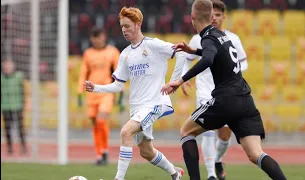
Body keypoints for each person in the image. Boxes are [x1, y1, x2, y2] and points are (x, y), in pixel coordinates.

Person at [161, 0, 287, 180]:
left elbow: (208, 60)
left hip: (226, 100)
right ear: (212, 17)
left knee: (186, 132)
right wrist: (195, 50)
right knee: (255, 153)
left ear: (192, 18)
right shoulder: (222, 35)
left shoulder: (208, 37)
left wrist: (180, 80)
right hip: (244, 100)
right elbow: (214, 53)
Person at [84, 7, 186, 180]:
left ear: (138, 25)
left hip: (154, 103)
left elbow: (181, 52)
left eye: (128, 26)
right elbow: (117, 86)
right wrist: (96, 87)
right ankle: (175, 174)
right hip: (137, 108)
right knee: (146, 152)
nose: (124, 30)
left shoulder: (152, 44)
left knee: (125, 132)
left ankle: (118, 178)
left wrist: (175, 81)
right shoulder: (125, 55)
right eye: (122, 26)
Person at [179, 0, 248, 179]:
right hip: (205, 90)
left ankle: (217, 159)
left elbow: (243, 61)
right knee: (207, 132)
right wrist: (185, 78)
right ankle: (210, 174)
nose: (215, 18)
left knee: (224, 136)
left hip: (225, 90)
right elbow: (188, 57)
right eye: (213, 15)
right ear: (208, 16)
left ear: (223, 17)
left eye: (218, 15)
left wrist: (235, 70)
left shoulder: (232, 38)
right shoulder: (198, 37)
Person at [78, 27, 121, 165]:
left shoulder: (112, 52)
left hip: (106, 91)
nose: (98, 40)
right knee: (95, 124)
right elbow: (83, 73)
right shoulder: (88, 54)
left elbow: (120, 73)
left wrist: (121, 93)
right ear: (92, 39)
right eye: (95, 37)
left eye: (100, 37)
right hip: (91, 93)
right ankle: (99, 153)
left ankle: (105, 151)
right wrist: (80, 92)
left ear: (104, 37)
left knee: (101, 120)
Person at [1, 59, 27, 155]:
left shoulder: (18, 76)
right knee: (7, 128)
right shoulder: (2, 78)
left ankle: (23, 147)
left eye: (9, 66)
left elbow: (23, 90)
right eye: (6, 66)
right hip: (5, 106)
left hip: (17, 105)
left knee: (20, 128)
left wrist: (23, 103)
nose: (8, 68)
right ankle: (9, 148)